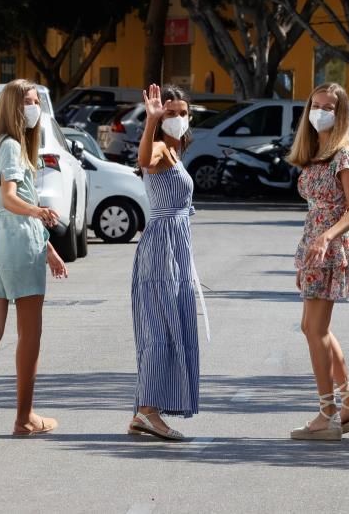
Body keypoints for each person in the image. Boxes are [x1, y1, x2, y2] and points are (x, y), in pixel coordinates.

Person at [0, 79, 68, 439]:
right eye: (28, 101)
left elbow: (4, 202)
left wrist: (49, 249)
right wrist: (39, 213)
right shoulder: (12, 147)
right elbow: (11, 198)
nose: (34, 108)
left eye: (36, 101)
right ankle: (24, 417)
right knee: (30, 333)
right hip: (15, 237)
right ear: (12, 106)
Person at [286, 82, 349, 441]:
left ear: (341, 113)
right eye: (314, 105)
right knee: (313, 328)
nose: (319, 111)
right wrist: (310, 245)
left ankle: (327, 413)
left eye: (328, 107)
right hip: (314, 246)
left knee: (315, 330)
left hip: (331, 248)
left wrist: (325, 237)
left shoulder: (344, 156)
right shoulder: (316, 151)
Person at [128, 83, 206, 441]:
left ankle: (147, 409)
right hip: (161, 248)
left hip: (176, 249)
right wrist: (151, 122)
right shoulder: (159, 146)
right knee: (159, 332)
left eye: (181, 113)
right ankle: (147, 411)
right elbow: (144, 160)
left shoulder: (177, 152)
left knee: (173, 328)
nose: (176, 119)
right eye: (170, 113)